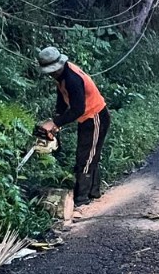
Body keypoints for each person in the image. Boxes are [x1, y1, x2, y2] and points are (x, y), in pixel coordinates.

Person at [36, 47, 109, 207]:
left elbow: (78, 109)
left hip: (95, 116)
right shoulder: (61, 76)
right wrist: (57, 118)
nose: (51, 74)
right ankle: (93, 192)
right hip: (86, 119)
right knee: (88, 154)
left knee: (86, 157)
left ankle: (81, 198)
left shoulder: (72, 79)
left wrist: (56, 123)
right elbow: (62, 99)